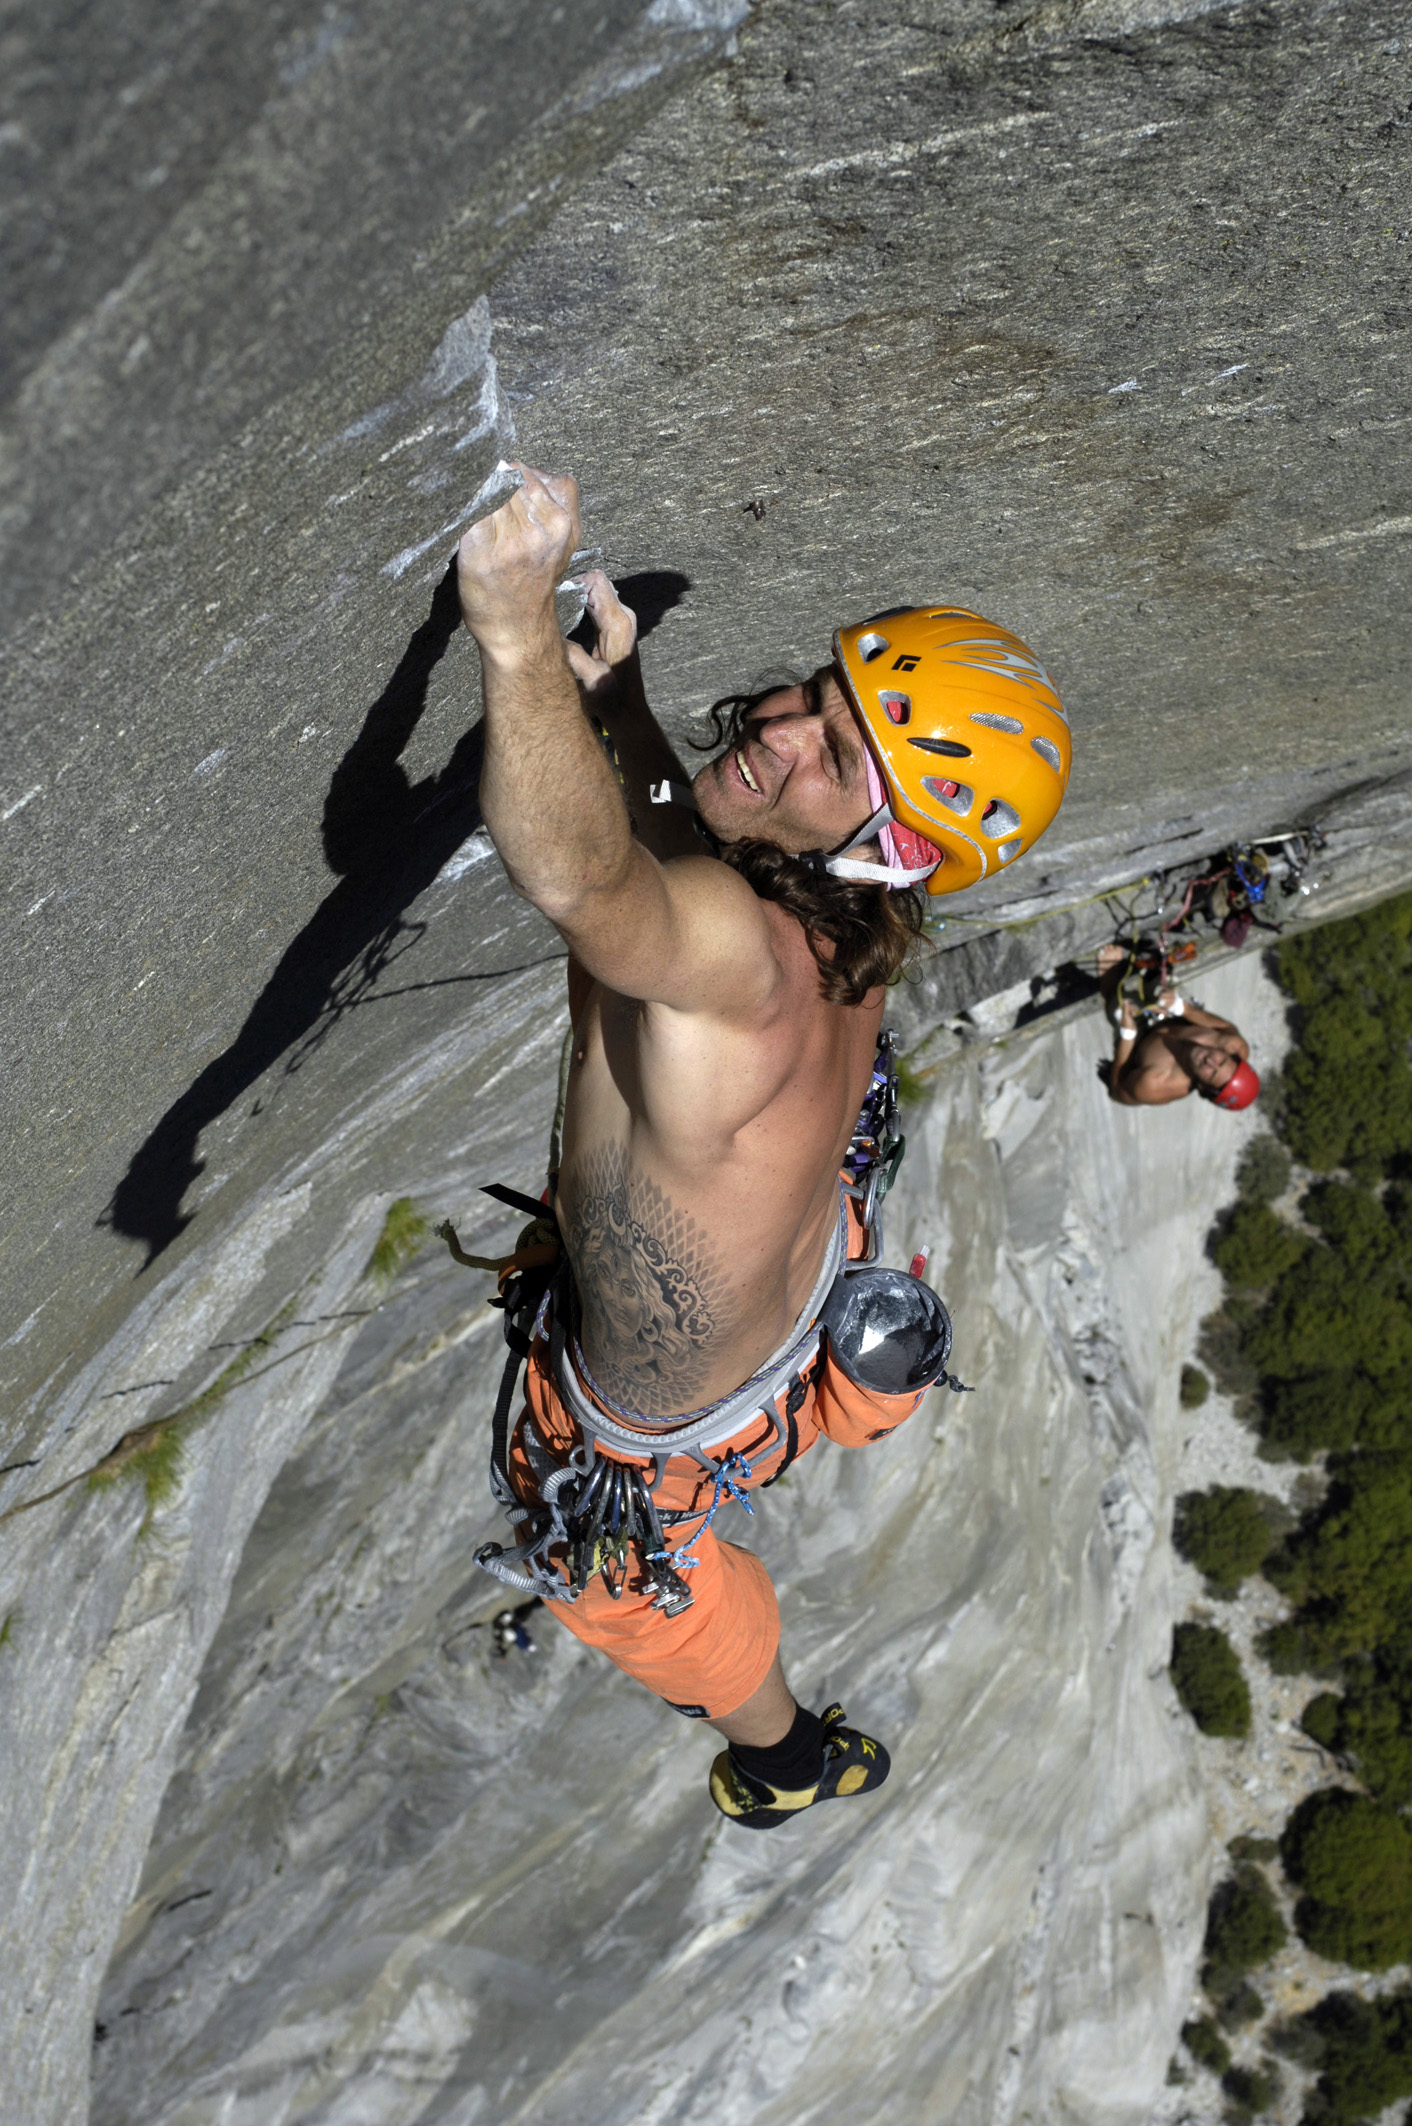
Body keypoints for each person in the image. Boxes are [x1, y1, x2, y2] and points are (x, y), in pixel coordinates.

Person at [450, 464, 1071, 1828]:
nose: (782, 722)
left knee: (641, 1594)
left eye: (834, 754)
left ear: (889, 841)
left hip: (658, 1422)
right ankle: (852, 1404)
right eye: (816, 691)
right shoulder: (858, 927)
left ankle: (785, 1758)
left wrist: (509, 632)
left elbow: (585, 874)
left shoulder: (750, 959)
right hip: (787, 1295)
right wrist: (616, 703)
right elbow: (696, 836)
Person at [1098, 946, 1259, 1109]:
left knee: (1119, 1007)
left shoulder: (1158, 1084)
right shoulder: (1234, 1045)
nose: (1210, 1061)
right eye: (1221, 1061)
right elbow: (1226, 1026)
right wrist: (1182, 1008)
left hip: (1137, 1042)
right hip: (1175, 1018)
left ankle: (1110, 975)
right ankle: (1152, 970)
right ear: (1228, 1054)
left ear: (1202, 1087)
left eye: (1212, 1074)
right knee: (1163, 985)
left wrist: (1127, 1036)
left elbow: (1117, 1091)